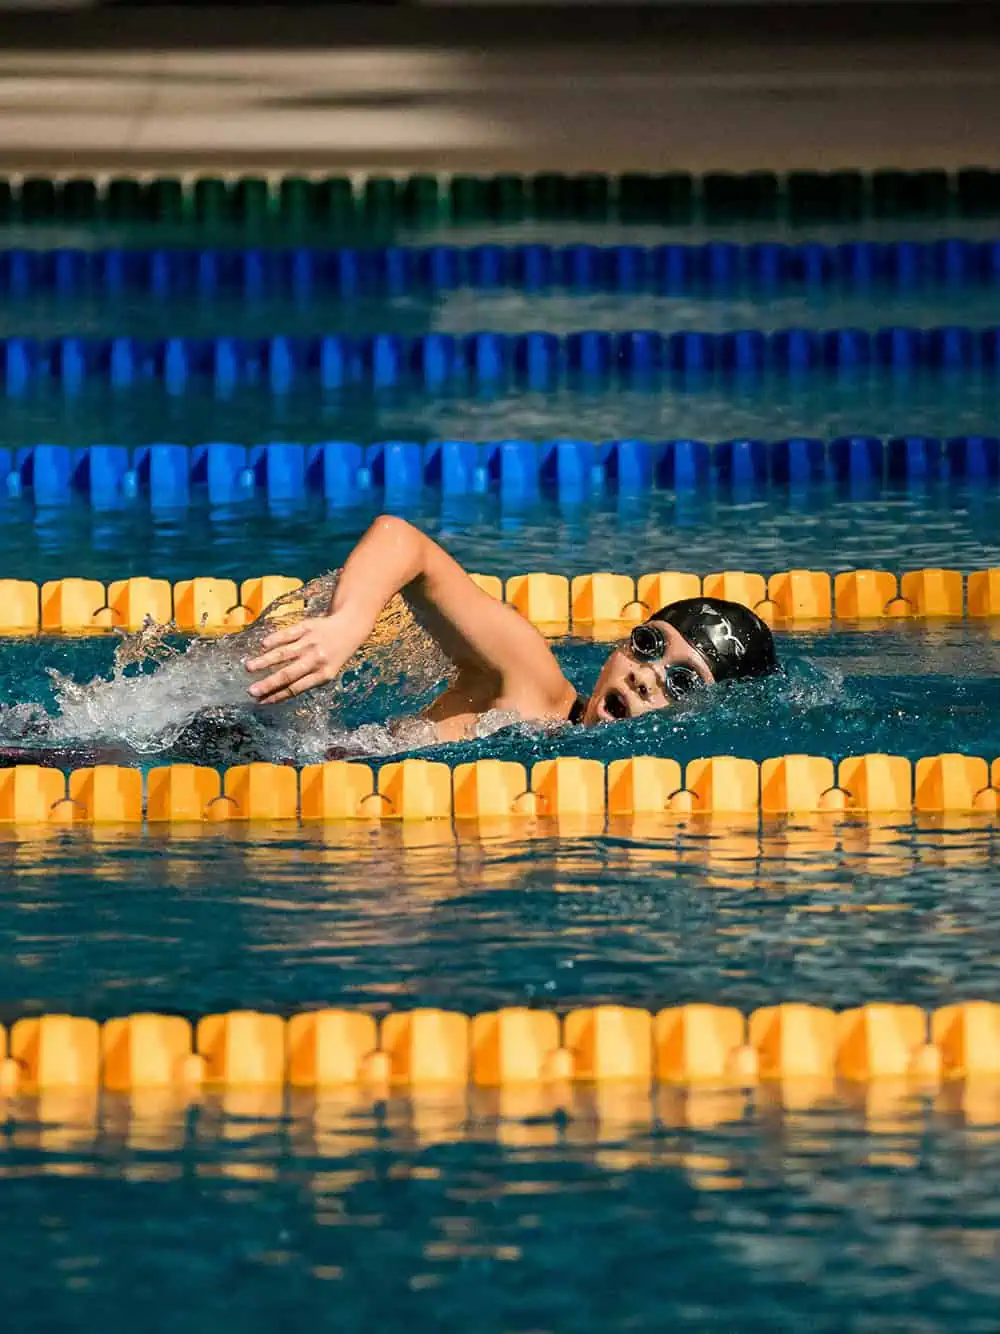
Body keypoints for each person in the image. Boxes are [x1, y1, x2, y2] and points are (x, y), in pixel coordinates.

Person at [245, 515, 778, 741]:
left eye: (681, 682)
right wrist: (347, 624)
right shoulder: (531, 683)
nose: (647, 676)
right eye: (648, 645)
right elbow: (402, 540)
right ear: (621, 643)